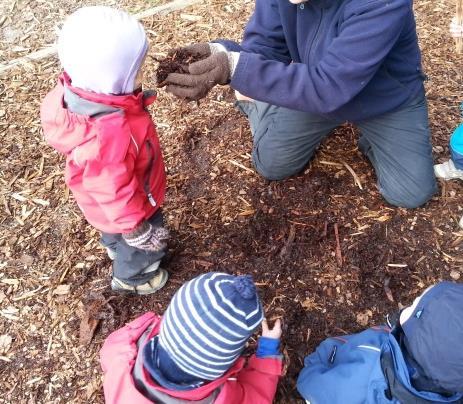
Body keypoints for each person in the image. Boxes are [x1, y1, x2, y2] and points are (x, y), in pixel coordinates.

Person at [164, 0, 438, 209]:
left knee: (411, 193)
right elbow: (265, 48)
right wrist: (224, 56)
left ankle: (373, 138)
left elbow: (330, 85)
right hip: (312, 88)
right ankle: (260, 103)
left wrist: (236, 69)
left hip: (382, 99)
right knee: (272, 165)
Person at [40, 7, 169, 295]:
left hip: (101, 207)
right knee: (140, 248)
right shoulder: (110, 134)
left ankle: (114, 245)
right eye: (135, 72)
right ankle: (133, 277)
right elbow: (112, 189)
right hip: (132, 207)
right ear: (113, 79)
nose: (141, 76)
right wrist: (136, 228)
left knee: (113, 230)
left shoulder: (80, 95)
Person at [100, 272, 283, 403]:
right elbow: (256, 396)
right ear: (219, 366)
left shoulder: (125, 350)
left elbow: (108, 351)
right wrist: (267, 351)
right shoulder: (221, 399)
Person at [296, 282, 463, 403]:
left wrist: (316, 361)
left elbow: (311, 386)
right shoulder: (452, 382)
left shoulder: (368, 364)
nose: (408, 306)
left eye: (414, 305)